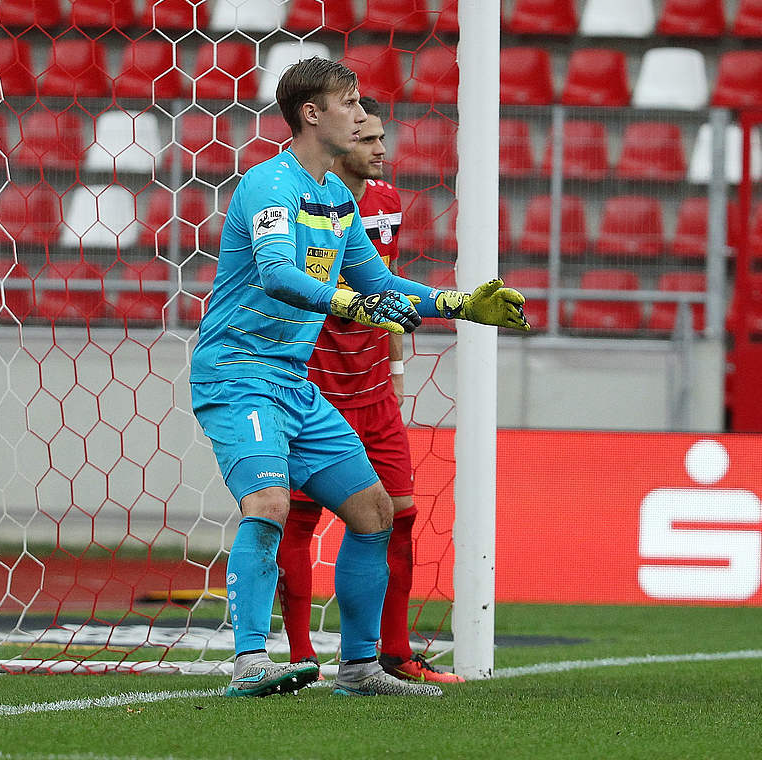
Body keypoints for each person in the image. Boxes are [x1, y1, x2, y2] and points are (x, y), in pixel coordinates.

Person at [190, 57, 529, 698]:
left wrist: (459, 305)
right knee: (266, 505)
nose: (359, 113)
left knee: (373, 511)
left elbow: (380, 285)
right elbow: (277, 275)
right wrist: (347, 304)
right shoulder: (270, 186)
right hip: (237, 375)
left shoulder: (337, 198)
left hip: (292, 381)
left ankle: (361, 668)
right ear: (312, 114)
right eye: (349, 103)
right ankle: (249, 662)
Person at [275, 96, 464, 686]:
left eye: (382, 137)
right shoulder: (295, 200)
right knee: (299, 520)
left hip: (374, 389)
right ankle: (301, 654)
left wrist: (398, 369)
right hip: (314, 383)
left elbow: (384, 287)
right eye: (369, 138)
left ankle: (393, 651)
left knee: (399, 517)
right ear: (336, 140)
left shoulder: (385, 202)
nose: (382, 149)